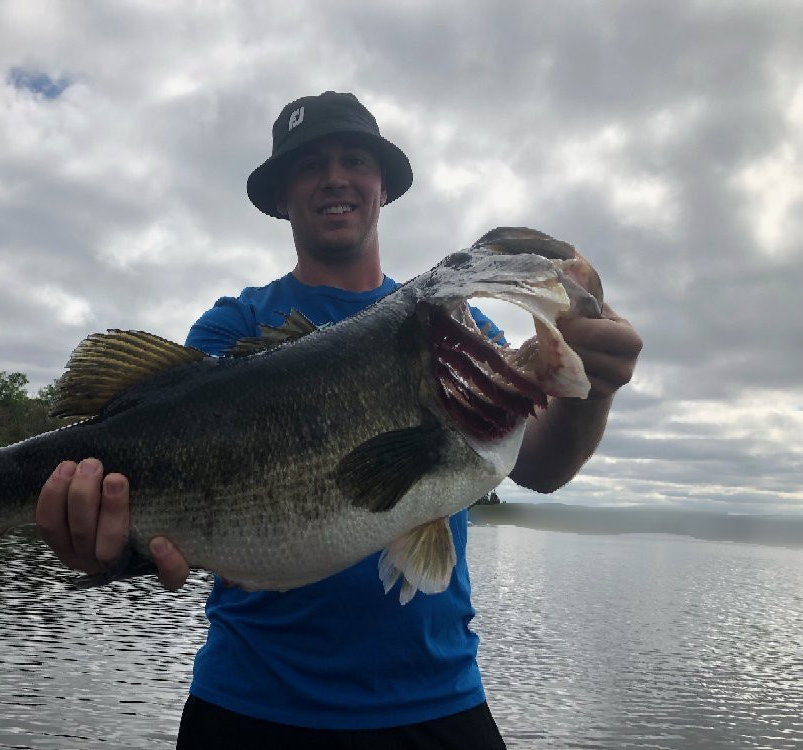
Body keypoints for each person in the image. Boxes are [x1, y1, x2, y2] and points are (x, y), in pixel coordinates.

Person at [35, 91, 643, 748]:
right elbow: (161, 484)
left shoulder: (458, 327)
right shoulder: (233, 328)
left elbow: (543, 467)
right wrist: (111, 543)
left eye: (354, 159)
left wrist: (592, 389)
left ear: (381, 188)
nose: (334, 176)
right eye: (308, 165)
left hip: (435, 700)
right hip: (249, 705)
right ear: (281, 197)